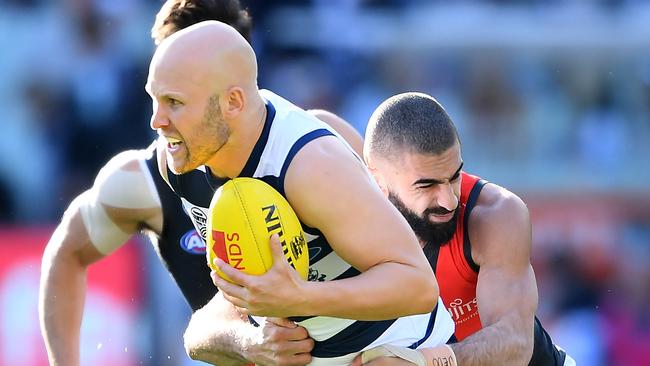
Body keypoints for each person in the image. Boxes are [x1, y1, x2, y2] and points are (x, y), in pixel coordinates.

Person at [38, 1, 364, 365]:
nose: (164, 117)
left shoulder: (319, 146)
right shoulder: (143, 179)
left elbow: (409, 254)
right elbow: (66, 252)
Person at [147, 21, 455, 366]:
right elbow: (206, 325)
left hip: (396, 349)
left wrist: (301, 297)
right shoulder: (179, 163)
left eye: (174, 102)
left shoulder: (308, 165)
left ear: (233, 102)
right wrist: (248, 341)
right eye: (154, 100)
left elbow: (417, 286)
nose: (156, 121)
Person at [358, 92, 575, 365]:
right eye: (427, 185)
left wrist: (423, 362)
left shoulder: (497, 213)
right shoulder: (345, 221)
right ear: (377, 180)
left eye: (454, 176)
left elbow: (516, 343)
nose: (449, 200)